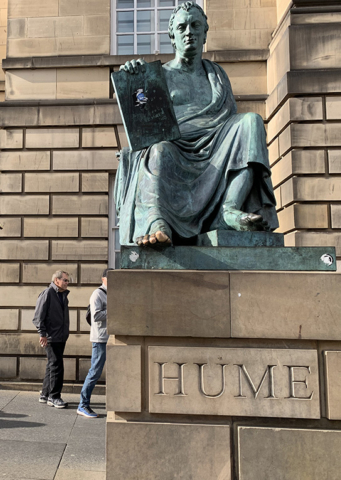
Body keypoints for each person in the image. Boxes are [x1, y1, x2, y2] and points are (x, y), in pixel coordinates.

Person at [115, 2, 278, 247]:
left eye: (195, 25)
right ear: (172, 36)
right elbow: (142, 127)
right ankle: (157, 223)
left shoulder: (217, 75)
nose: (188, 31)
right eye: (181, 27)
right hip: (175, 147)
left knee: (251, 121)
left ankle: (229, 208)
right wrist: (132, 79)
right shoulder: (158, 77)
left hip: (216, 144)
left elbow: (229, 120)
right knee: (158, 151)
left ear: (204, 34)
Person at [33, 270, 71, 409]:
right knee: (57, 366)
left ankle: (45, 393)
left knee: (52, 365)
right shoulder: (48, 293)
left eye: (68, 280)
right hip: (51, 336)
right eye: (65, 280)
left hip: (60, 336)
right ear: (56, 281)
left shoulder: (62, 295)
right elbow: (38, 316)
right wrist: (42, 334)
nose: (67, 282)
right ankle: (54, 397)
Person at [77, 269, 110, 418]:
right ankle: (83, 405)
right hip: (100, 339)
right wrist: (114, 310)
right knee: (95, 371)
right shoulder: (98, 293)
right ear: (103, 279)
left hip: (110, 337)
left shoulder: (112, 294)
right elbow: (96, 315)